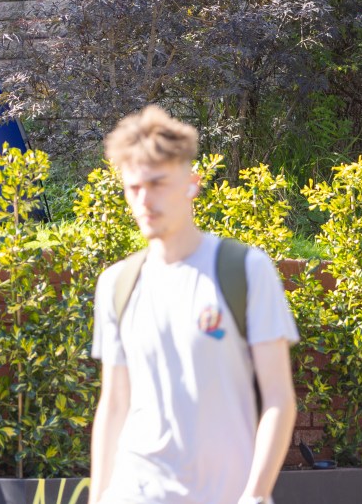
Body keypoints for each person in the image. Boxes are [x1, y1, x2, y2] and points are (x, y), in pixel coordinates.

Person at [89, 105, 299, 504]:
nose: (145, 200)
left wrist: (255, 495)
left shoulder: (244, 270)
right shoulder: (116, 283)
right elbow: (114, 403)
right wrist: (99, 496)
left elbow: (279, 398)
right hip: (135, 492)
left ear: (192, 183)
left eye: (158, 183)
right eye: (134, 188)